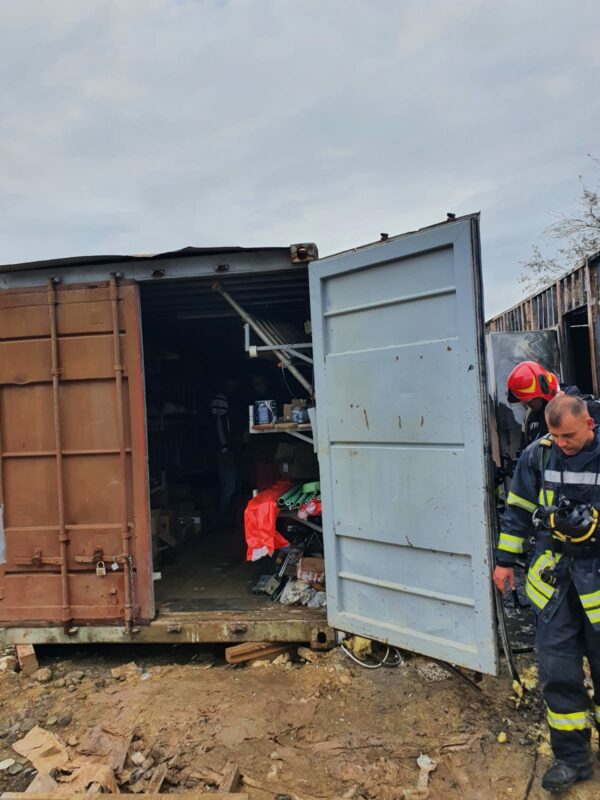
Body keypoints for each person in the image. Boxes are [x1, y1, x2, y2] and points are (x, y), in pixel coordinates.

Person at [494, 394, 600, 792]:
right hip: (554, 585)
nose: (562, 444)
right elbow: (517, 509)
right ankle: (573, 759)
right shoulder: (538, 455)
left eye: (569, 436)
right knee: (557, 672)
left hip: (597, 577)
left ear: (589, 424)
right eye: (555, 436)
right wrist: (505, 560)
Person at [505, 360, 598, 447]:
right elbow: (525, 458)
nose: (527, 405)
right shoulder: (530, 418)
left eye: (529, 401)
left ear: (544, 391)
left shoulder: (589, 409)